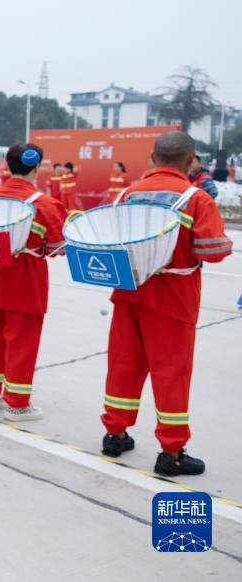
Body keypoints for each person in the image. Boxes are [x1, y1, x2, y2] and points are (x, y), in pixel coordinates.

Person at [100, 131, 232, 476]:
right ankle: (171, 453)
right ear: (190, 160)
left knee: (123, 364)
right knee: (171, 373)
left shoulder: (128, 194)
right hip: (173, 299)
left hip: (128, 292)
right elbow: (213, 251)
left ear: (153, 158)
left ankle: (115, 434)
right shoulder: (196, 198)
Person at [0, 144, 66, 421]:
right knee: (21, 343)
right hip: (25, 281)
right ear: (36, 167)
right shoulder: (44, 204)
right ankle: (17, 404)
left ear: (7, 166)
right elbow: (59, 247)